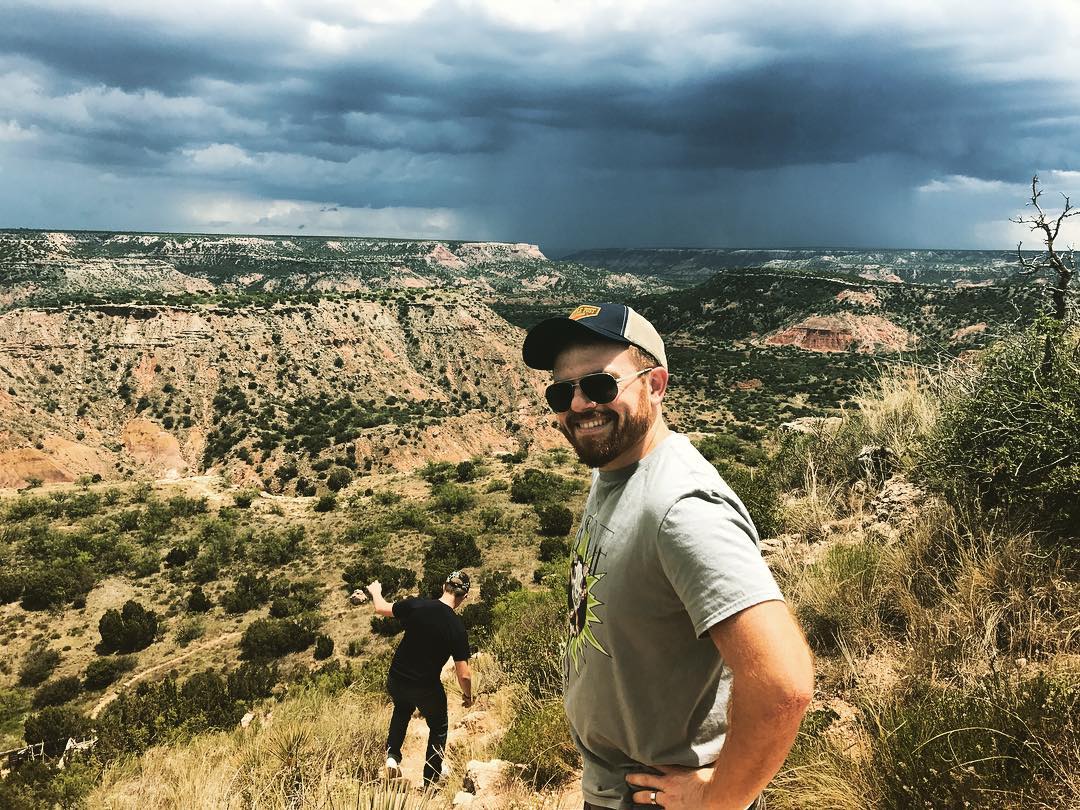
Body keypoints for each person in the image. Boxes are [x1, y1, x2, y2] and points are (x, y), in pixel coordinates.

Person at [522, 303, 814, 810]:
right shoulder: (615, 470)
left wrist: (716, 799)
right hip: (619, 789)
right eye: (561, 392)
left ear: (655, 385)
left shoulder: (682, 508)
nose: (579, 404)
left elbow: (783, 684)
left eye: (600, 386)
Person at [368, 571, 474, 787]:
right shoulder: (457, 628)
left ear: (444, 587)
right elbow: (464, 674)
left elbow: (380, 607)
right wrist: (468, 695)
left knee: (401, 709)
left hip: (397, 678)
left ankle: (392, 757)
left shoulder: (416, 605)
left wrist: (375, 591)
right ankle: (431, 780)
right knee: (438, 726)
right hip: (426, 687)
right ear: (464, 596)